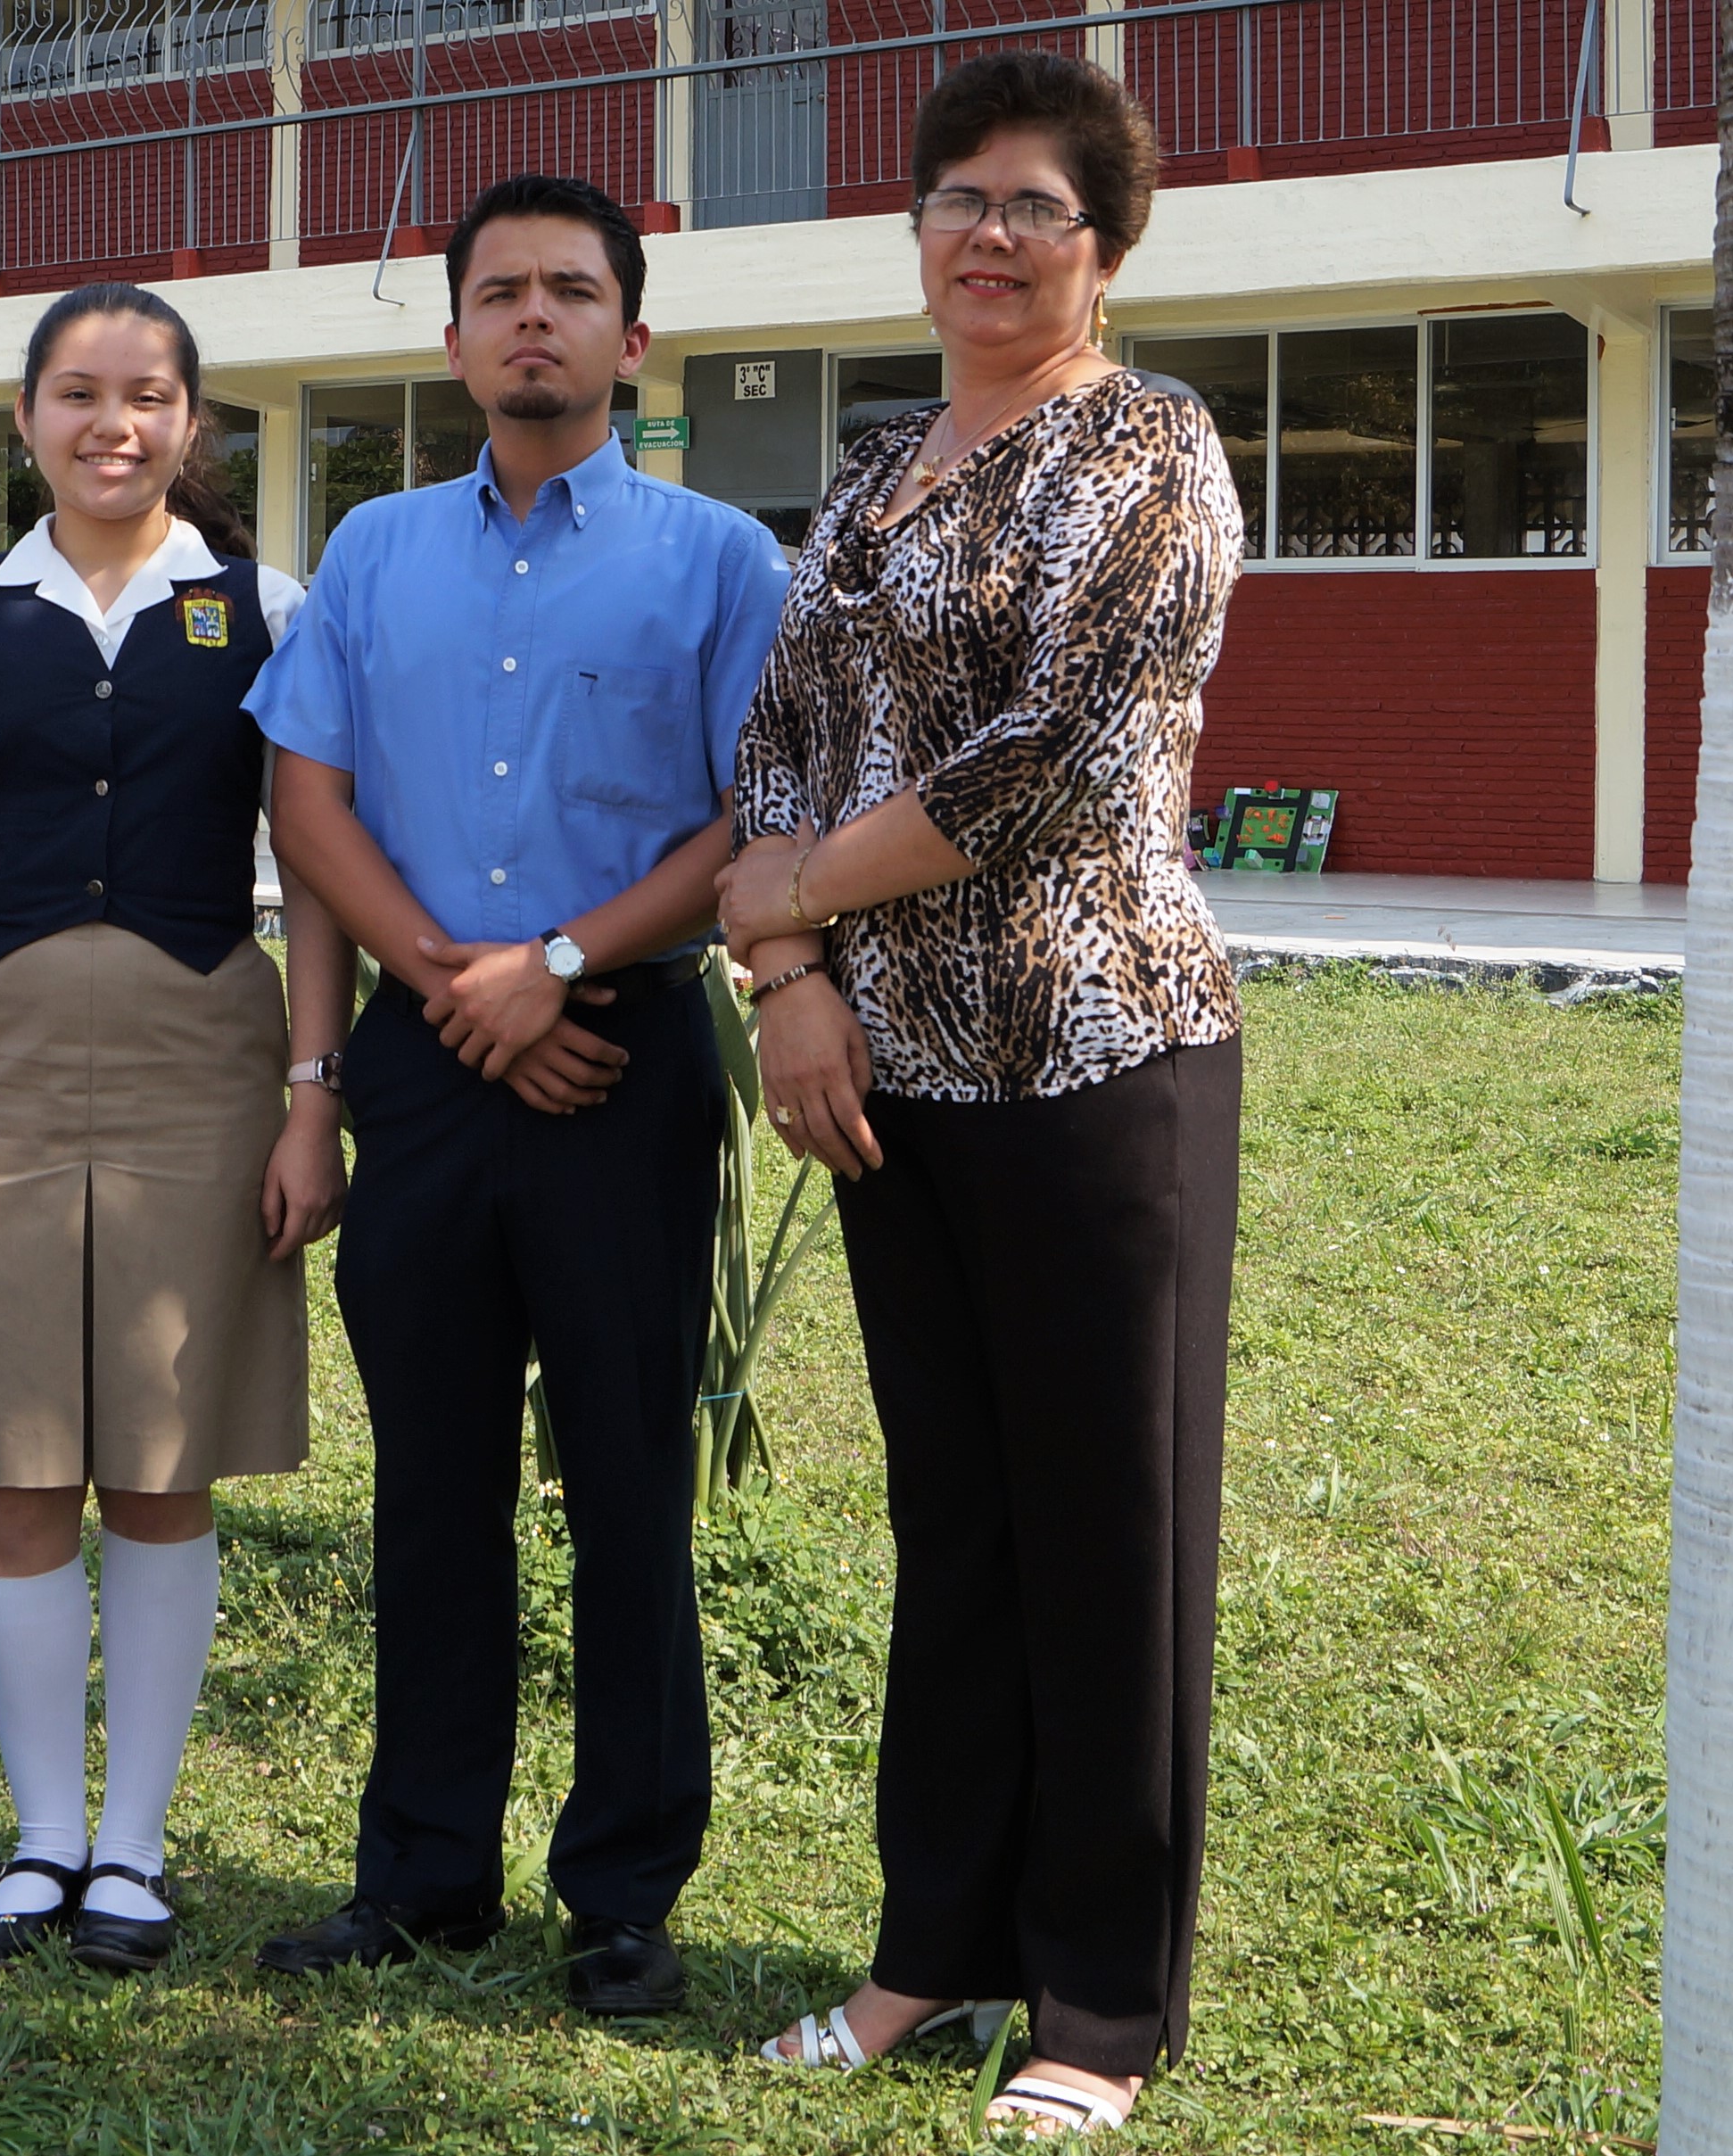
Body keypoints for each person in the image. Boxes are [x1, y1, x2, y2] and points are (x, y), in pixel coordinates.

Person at [712, 53, 1243, 2137]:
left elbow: (1067, 758)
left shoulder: (1153, 450)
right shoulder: (870, 470)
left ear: (1102, 246)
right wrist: (784, 977)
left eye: (1035, 205)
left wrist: (797, 896)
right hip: (886, 1071)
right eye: (959, 201)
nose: (990, 235)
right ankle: (934, 1951)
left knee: (1111, 1528)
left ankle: (1099, 2006)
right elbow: (777, 736)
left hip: (1097, 1047)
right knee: (958, 1524)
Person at [245, 173, 790, 2018]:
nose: (533, 319)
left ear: (634, 340)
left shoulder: (724, 560)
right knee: (435, 1482)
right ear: (458, 333)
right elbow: (304, 805)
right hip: (421, 1066)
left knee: (629, 1484)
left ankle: (626, 1892)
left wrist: (551, 966)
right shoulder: (375, 551)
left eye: (573, 292)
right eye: (501, 292)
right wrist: (444, 990)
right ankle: (423, 1873)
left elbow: (751, 828)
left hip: (623, 1059)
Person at [0, 283, 346, 1979]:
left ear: (193, 423)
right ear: (30, 415)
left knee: (163, 1458)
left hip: (209, 1060)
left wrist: (310, 1099)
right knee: (16, 1452)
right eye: (75, 393)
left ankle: (136, 1845)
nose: (110, 424)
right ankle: (42, 1831)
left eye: (145, 397)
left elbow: (321, 871)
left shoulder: (270, 606)